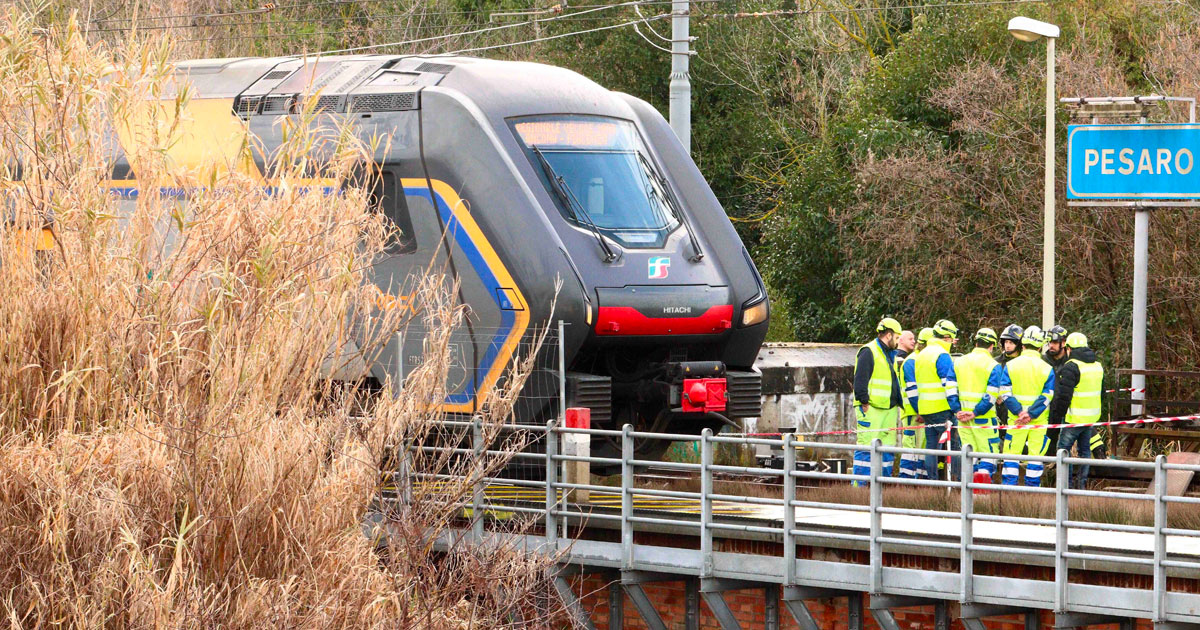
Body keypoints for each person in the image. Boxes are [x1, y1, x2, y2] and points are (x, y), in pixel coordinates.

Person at [954, 328, 1021, 482]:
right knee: (988, 456)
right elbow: (991, 396)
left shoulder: (959, 362)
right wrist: (975, 412)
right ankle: (981, 492)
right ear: (992, 346)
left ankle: (968, 489)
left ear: (976, 343)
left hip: (962, 419)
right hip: (984, 419)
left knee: (969, 455)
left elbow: (950, 389)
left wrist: (957, 410)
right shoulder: (993, 365)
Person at [1001, 327, 1056, 486]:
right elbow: (1047, 396)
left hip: (1016, 419)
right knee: (1035, 457)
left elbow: (1005, 392)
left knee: (1011, 455)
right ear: (1040, 348)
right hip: (1038, 420)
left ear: (1022, 345)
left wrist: (1019, 412)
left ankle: (1009, 488)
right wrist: (1031, 414)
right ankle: (1032, 491)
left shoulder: (1010, 366)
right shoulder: (1047, 368)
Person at [852, 317, 904, 482]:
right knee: (866, 450)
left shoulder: (890, 354)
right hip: (872, 408)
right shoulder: (869, 351)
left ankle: (882, 486)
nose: (898, 342)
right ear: (888, 335)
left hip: (888, 409)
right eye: (897, 337)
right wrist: (864, 401)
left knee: (887, 451)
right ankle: (859, 489)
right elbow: (860, 379)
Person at [909, 319, 963, 480]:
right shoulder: (942, 355)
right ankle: (959, 481)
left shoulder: (922, 354)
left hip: (926, 409)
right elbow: (949, 385)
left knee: (931, 447)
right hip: (943, 408)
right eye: (952, 339)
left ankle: (933, 482)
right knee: (955, 445)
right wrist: (957, 408)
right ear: (946, 337)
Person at [1050, 332, 1104, 489]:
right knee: (1085, 452)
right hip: (1090, 418)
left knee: (1063, 451)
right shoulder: (1097, 366)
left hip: (1073, 419)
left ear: (1068, 348)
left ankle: (1065, 487)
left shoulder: (1071, 366)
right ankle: (1081, 486)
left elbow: (1064, 396)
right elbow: (1102, 393)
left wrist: (1057, 416)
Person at [899, 328, 933, 479]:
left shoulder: (921, 359)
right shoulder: (912, 361)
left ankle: (920, 483)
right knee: (911, 448)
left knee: (921, 449)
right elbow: (912, 390)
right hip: (913, 413)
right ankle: (906, 482)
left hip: (921, 413)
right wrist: (920, 410)